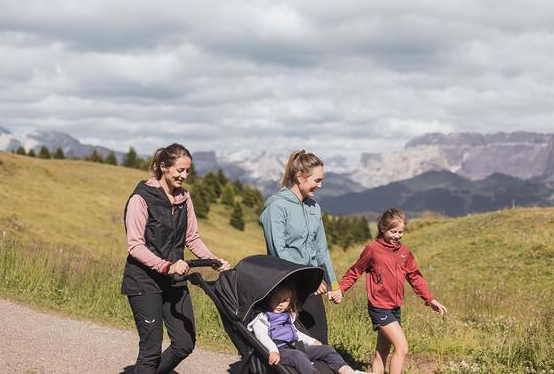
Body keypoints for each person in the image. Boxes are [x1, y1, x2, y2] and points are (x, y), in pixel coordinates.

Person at [121, 143, 231, 374]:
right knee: (150, 350)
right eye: (180, 170)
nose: (184, 176)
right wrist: (166, 266)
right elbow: (135, 246)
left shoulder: (184, 198)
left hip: (175, 279)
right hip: (144, 281)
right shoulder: (141, 198)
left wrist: (213, 260)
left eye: (188, 171)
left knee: (184, 343)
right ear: (163, 167)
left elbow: (192, 237)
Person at [339, 208, 448, 374]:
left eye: (401, 232)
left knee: (382, 351)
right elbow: (355, 271)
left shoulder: (404, 252)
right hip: (379, 306)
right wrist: (341, 289)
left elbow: (415, 277)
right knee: (402, 347)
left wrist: (430, 299)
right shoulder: (373, 249)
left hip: (395, 307)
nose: (397, 236)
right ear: (383, 229)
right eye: (393, 231)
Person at [260, 149, 340, 344]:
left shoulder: (314, 208)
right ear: (299, 176)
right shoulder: (276, 207)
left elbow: (322, 249)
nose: (320, 185)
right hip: (285, 288)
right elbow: (279, 251)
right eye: (316, 180)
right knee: (289, 344)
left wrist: (333, 284)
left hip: (310, 288)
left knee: (319, 341)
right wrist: (309, 278)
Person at [247, 281, 370, 374]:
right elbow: (261, 335)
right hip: (280, 350)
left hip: (297, 345)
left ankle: (347, 371)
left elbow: (295, 333)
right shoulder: (263, 316)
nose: (280, 304)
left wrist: (311, 341)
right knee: (298, 357)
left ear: (290, 302)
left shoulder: (287, 315)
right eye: (276, 299)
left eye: (284, 300)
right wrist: (272, 350)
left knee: (327, 349)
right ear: (269, 298)